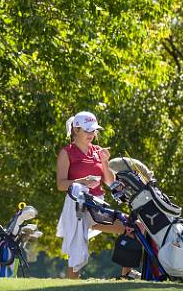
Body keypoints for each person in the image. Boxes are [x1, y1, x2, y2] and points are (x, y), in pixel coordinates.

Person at [55, 111, 136, 279]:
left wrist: (105, 162)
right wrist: (82, 181)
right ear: (76, 130)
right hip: (79, 208)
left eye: (93, 131)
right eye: (87, 131)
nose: (91, 134)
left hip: (98, 206)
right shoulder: (67, 152)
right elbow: (61, 185)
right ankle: (69, 289)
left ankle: (126, 276)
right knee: (77, 251)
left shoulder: (98, 151)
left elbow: (109, 181)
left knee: (133, 227)